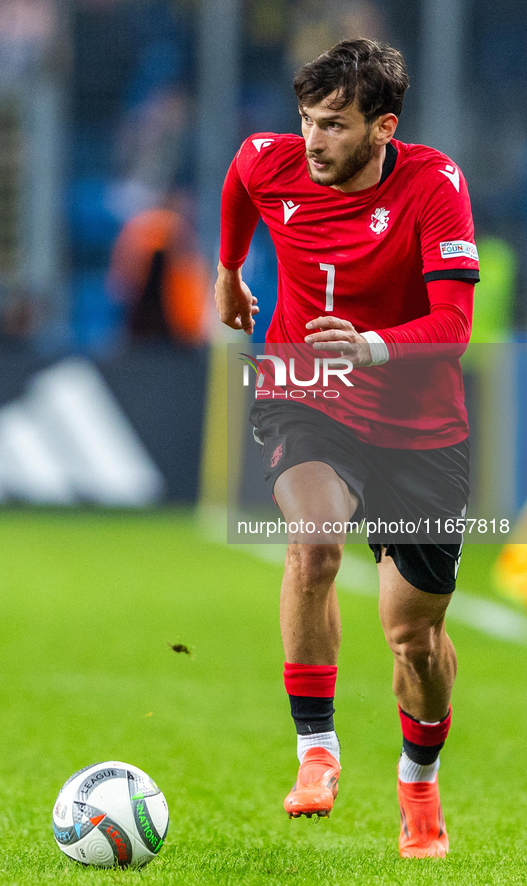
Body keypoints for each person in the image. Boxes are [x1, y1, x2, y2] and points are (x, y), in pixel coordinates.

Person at [215, 39, 479, 858]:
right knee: (315, 540)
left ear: (381, 126)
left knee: (413, 639)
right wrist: (227, 270)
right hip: (306, 389)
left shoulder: (434, 186)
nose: (312, 140)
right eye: (305, 120)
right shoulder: (272, 161)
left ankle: (418, 779)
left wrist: (369, 345)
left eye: (333, 125)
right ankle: (315, 750)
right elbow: (237, 181)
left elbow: (454, 328)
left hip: (419, 426)